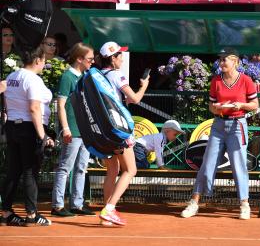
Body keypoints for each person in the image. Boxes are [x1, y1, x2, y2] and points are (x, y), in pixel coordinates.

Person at [181, 48, 259, 220]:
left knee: (239, 165)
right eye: (220, 59)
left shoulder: (246, 80)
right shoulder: (216, 80)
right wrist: (215, 108)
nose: (221, 62)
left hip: (238, 124)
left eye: (225, 59)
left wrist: (241, 105)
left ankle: (244, 204)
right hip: (218, 125)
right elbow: (211, 106)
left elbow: (254, 104)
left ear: (235, 62)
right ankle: (194, 202)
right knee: (207, 164)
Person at [1, 47, 54, 226]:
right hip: (28, 128)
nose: (45, 63)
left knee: (14, 171)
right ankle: (31, 215)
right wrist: (43, 136)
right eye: (44, 60)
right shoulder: (33, 79)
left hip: (13, 126)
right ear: (37, 60)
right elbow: (34, 108)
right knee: (30, 172)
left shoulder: (12, 77)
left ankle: (6, 213)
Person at [98, 41, 149, 226]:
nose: (122, 58)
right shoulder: (116, 75)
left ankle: (106, 214)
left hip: (103, 130)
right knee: (130, 170)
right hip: (119, 129)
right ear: (113, 58)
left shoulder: (97, 75)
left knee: (112, 171)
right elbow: (133, 99)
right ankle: (109, 209)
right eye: (120, 55)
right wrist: (144, 85)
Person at [51, 43, 96, 217]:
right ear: (79, 59)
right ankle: (57, 206)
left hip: (85, 131)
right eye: (90, 59)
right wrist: (66, 128)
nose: (92, 62)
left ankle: (77, 204)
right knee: (65, 168)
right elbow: (61, 105)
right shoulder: (67, 77)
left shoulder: (84, 76)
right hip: (73, 130)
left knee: (81, 168)